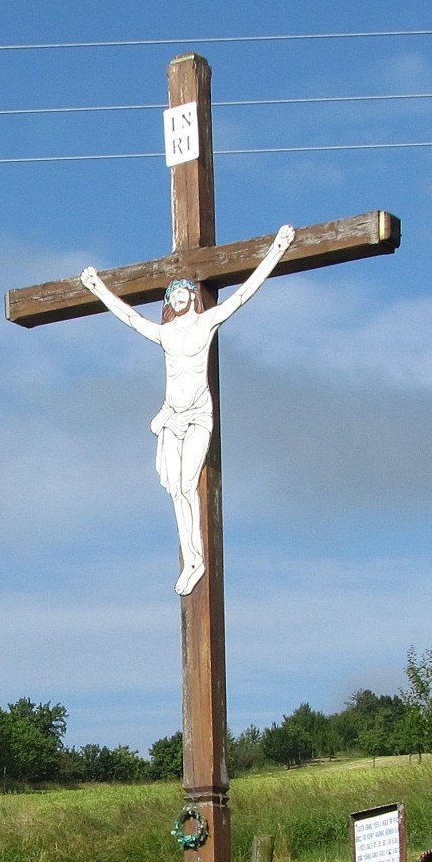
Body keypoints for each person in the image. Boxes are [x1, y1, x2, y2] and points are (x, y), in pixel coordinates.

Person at [80, 223, 296, 595]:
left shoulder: (207, 321)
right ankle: (191, 554)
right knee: (175, 490)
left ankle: (196, 558)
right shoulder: (166, 334)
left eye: (184, 292)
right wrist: (98, 287)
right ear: (169, 302)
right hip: (171, 416)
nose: (179, 298)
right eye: (174, 294)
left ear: (192, 297)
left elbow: (244, 294)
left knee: (186, 484)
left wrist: (276, 250)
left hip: (197, 414)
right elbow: (131, 317)